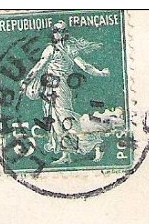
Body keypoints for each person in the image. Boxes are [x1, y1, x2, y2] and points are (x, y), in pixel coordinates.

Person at [20, 21, 112, 164]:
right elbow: (38, 67)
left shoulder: (69, 49)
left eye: (61, 31)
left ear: (65, 33)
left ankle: (96, 142)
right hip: (49, 89)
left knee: (66, 119)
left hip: (61, 88)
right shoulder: (50, 49)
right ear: (53, 32)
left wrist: (100, 73)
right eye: (56, 31)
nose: (59, 33)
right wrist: (26, 81)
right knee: (55, 121)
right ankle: (66, 155)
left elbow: (85, 66)